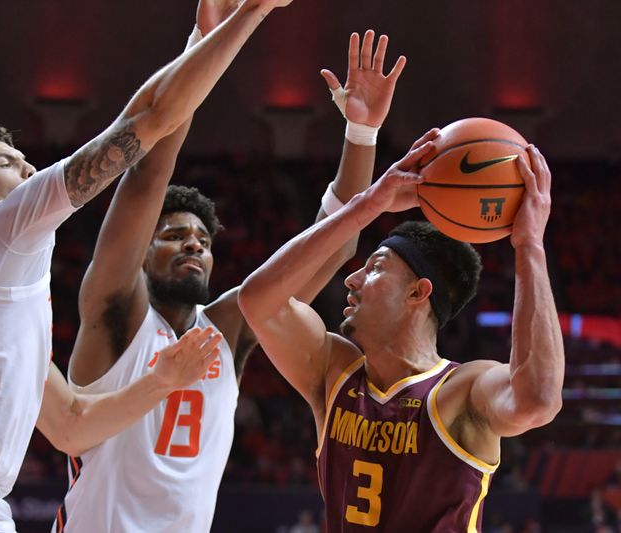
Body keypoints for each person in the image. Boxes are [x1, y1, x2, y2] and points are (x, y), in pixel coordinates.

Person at [0, 0, 293, 530]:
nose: (27, 166)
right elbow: (149, 123)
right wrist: (240, 18)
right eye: (6, 162)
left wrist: (164, 381)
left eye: (23, 158)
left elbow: (73, 427)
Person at [60, 23, 407, 532]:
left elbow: (335, 247)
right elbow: (147, 174)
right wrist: (202, 40)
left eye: (202, 239)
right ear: (141, 253)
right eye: (174, 235)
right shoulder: (113, 313)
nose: (194, 244)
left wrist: (361, 133)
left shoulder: (226, 331)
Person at [238, 130, 565, 531]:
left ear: (417, 292)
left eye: (374, 267)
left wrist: (530, 245)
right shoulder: (334, 371)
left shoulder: (462, 390)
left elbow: (540, 400)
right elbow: (257, 301)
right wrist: (368, 205)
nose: (351, 280)